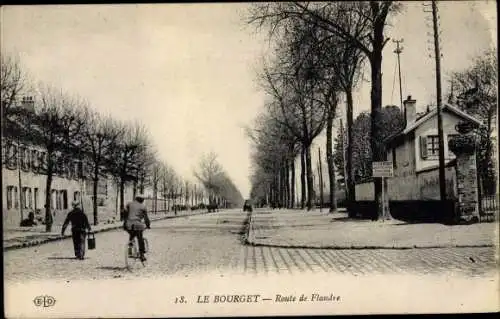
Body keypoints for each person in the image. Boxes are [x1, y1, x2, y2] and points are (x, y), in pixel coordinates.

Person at [123, 194, 151, 262]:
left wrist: (125, 223)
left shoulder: (129, 204)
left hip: (128, 225)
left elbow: (125, 214)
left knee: (131, 236)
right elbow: (146, 218)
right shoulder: (143, 206)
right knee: (140, 238)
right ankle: (142, 254)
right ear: (142, 200)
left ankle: (129, 251)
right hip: (138, 225)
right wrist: (148, 225)